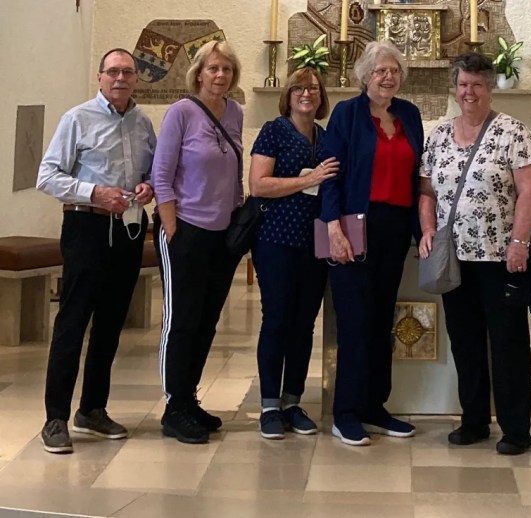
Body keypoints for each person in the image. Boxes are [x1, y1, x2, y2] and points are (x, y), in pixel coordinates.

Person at [418, 53, 531, 455]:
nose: (468, 92)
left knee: (507, 343)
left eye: (476, 84)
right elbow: (426, 191)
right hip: (454, 257)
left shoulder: (512, 132)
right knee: (464, 341)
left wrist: (519, 243)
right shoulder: (439, 135)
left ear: (489, 88)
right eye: (462, 84)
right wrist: (427, 229)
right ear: (454, 89)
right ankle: (474, 420)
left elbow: (530, 191)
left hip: (500, 257)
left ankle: (515, 429)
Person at [36, 48, 156, 454]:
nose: (121, 78)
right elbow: (47, 176)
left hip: (128, 228)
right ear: (100, 77)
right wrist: (94, 192)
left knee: (110, 323)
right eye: (113, 72)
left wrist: (148, 186)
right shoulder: (77, 118)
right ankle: (55, 417)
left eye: (128, 72)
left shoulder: (142, 122)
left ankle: (92, 409)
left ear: (136, 79)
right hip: (86, 226)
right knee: (73, 322)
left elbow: (151, 171)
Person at [319, 41, 424, 446]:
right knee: (354, 321)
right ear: (365, 76)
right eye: (380, 70)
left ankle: (374, 406)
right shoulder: (347, 113)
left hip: (394, 228)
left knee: (382, 320)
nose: (388, 77)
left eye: (394, 70)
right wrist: (332, 227)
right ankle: (345, 412)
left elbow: (420, 174)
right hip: (352, 225)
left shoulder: (409, 114)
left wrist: (423, 228)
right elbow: (330, 174)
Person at [152, 40, 244, 444]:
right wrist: (172, 229)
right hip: (186, 228)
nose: (220, 75)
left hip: (222, 236)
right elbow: (161, 175)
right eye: (213, 68)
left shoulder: (235, 112)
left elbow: (234, 171)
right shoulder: (182, 112)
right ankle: (173, 408)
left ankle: (189, 399)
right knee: (181, 320)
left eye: (226, 69)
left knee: (206, 321)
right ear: (199, 73)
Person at [249, 68, 339, 440]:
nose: (306, 94)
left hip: (314, 241)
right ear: (288, 95)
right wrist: (308, 179)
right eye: (299, 88)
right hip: (276, 239)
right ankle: (270, 405)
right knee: (277, 319)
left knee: (304, 323)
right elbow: (258, 185)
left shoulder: (325, 136)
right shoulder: (274, 130)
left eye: (313, 89)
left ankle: (292, 401)